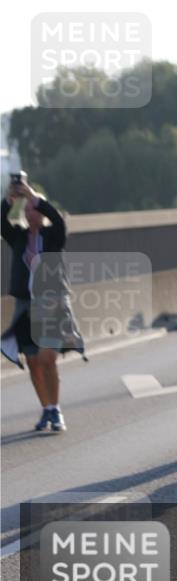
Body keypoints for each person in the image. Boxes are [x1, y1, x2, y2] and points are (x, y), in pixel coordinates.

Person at [1, 177, 86, 432]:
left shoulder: (53, 236)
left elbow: (59, 220)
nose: (31, 213)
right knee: (33, 361)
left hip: (52, 303)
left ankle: (56, 409)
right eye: (27, 209)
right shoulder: (18, 238)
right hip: (26, 305)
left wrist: (35, 196)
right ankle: (46, 408)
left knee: (48, 357)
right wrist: (10, 199)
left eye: (34, 209)